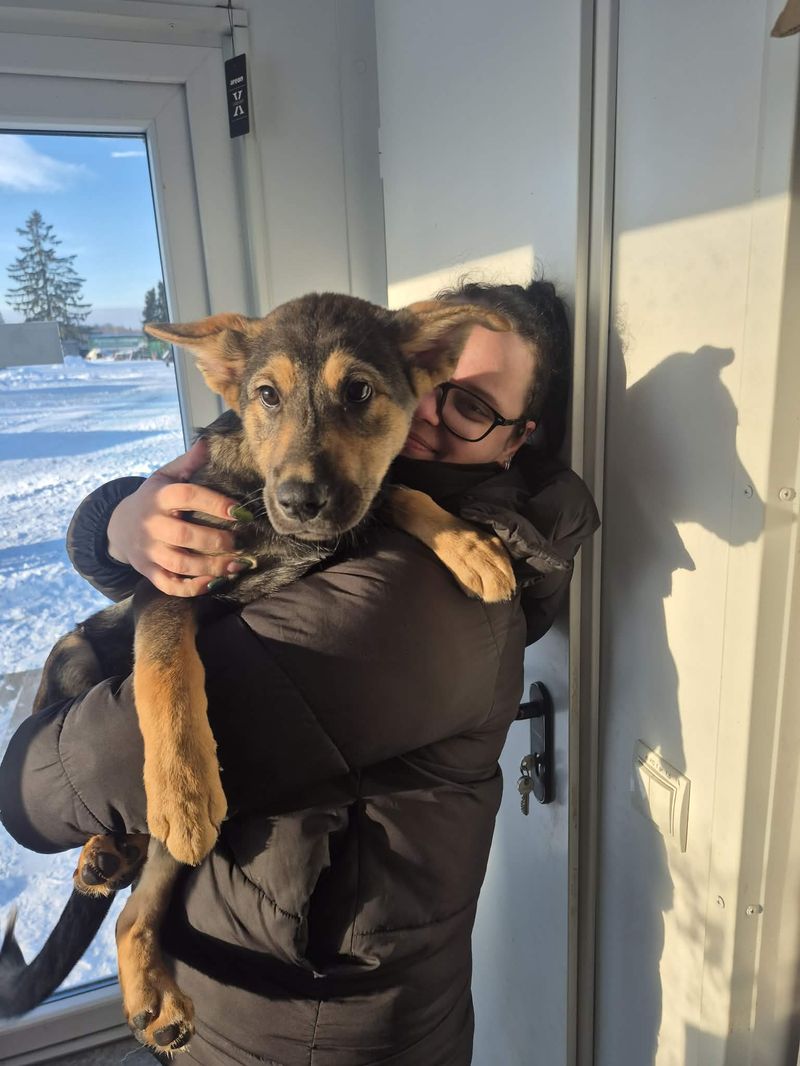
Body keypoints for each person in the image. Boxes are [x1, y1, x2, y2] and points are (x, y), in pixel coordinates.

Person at [0, 280, 599, 1066]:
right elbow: (197, 550)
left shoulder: (432, 597)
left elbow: (46, 792)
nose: (423, 413)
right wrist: (114, 525)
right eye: (423, 390)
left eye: (470, 406)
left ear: (517, 439)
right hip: (227, 985)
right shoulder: (384, 500)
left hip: (311, 1033)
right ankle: (130, 917)